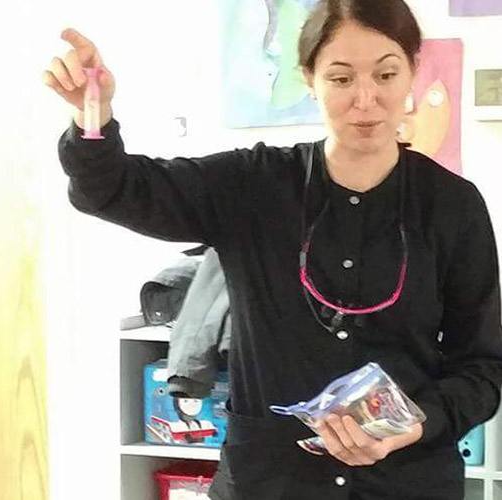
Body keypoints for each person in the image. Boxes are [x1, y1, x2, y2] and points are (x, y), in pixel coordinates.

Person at [44, 1, 502, 498]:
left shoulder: (453, 205)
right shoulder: (252, 185)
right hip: (270, 481)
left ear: (412, 70)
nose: (366, 99)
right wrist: (93, 113)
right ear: (310, 79)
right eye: (341, 78)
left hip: (406, 481)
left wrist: (417, 424)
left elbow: (482, 367)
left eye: (386, 74)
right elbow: (115, 190)